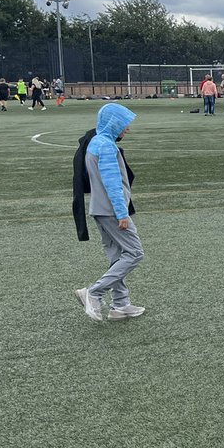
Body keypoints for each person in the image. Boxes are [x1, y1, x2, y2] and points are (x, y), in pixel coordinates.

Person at [76, 103, 146, 321]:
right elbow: (112, 183)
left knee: (117, 256)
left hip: (99, 209)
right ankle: (94, 292)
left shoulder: (96, 142)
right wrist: (122, 214)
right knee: (135, 253)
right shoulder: (106, 146)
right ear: (114, 123)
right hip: (111, 211)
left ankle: (120, 305)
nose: (128, 129)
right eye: (125, 124)